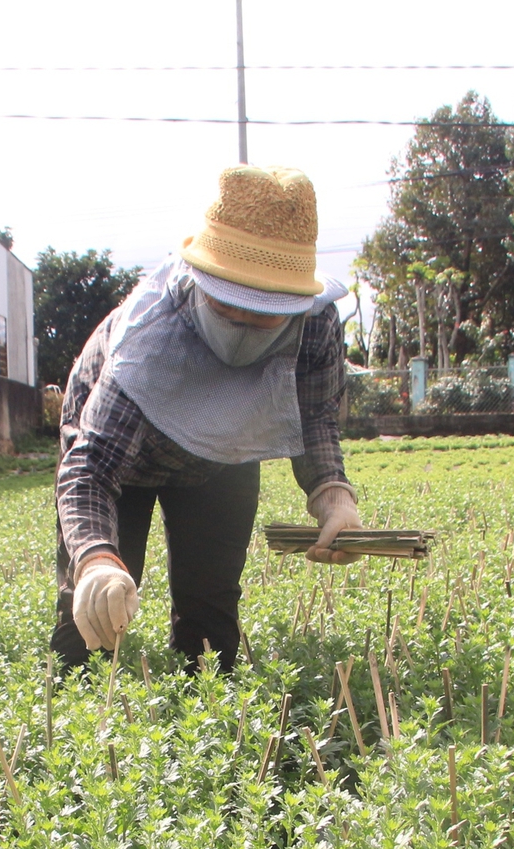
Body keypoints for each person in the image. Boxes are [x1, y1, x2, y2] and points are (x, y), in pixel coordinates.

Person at [51, 164, 362, 671]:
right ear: (201, 281)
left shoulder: (315, 323)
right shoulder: (150, 335)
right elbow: (91, 468)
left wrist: (331, 494)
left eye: (261, 311)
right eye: (226, 305)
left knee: (211, 612)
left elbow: (315, 416)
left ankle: (204, 710)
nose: (240, 323)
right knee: (90, 612)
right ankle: (76, 698)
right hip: (122, 454)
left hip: (225, 451)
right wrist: (96, 560)